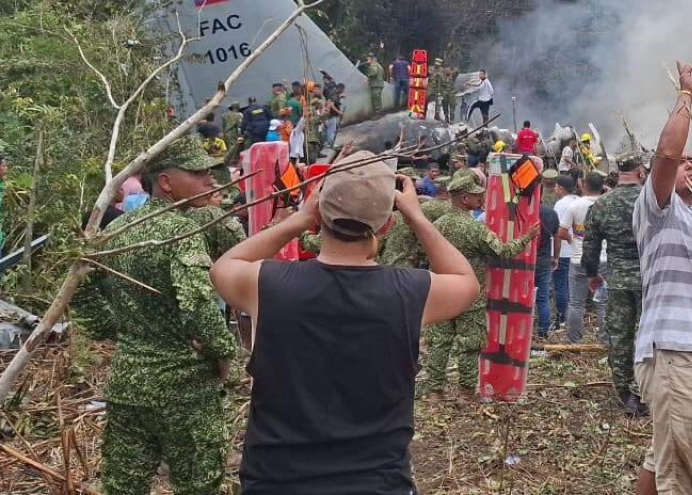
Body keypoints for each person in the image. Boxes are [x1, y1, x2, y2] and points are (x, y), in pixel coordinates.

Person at [210, 152, 480, 494]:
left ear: (319, 213)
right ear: (386, 225)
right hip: (377, 484)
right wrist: (416, 217)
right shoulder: (409, 292)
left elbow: (223, 267)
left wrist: (297, 220)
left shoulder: (268, 284)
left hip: (277, 481)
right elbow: (465, 281)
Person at [82, 137, 237, 495]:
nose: (209, 179)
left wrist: (118, 330)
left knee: (123, 486)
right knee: (198, 486)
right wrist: (224, 353)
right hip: (184, 389)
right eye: (197, 173)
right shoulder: (181, 232)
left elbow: (83, 291)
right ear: (166, 182)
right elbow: (199, 308)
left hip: (127, 383)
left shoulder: (116, 229)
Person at [633, 61, 692, 495]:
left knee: (665, 456)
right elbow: (667, 155)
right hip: (677, 349)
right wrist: (686, 97)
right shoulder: (658, 207)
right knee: (683, 470)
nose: (689, 164)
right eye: (683, 161)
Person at [422, 169, 537, 401]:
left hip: (440, 290)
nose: (480, 198)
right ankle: (466, 392)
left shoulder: (437, 225)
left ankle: (434, 391)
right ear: (465, 198)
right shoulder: (474, 228)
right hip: (469, 294)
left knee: (439, 343)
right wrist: (527, 237)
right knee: (470, 344)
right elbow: (502, 251)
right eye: (476, 195)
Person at [583, 150, 648, 415]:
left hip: (617, 279)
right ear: (640, 172)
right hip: (649, 280)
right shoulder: (650, 200)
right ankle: (642, 389)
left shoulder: (602, 204)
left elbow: (590, 247)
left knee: (620, 335)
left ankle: (624, 390)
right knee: (647, 335)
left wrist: (592, 275)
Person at [566, 171, 605, 343]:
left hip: (578, 259)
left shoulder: (575, 205)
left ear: (584, 185)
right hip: (603, 258)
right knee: (603, 303)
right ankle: (605, 340)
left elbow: (561, 231)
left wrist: (574, 241)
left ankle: (573, 341)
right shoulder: (607, 204)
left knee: (576, 303)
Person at [550, 174, 579, 329]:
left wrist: (555, 254)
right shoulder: (579, 201)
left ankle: (563, 316)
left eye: (556, 186)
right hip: (578, 250)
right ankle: (574, 315)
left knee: (560, 285)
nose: (554, 189)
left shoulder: (560, 205)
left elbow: (558, 231)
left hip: (564, 251)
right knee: (573, 284)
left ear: (561, 188)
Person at [534, 192, 562, 339]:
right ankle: (543, 331)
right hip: (544, 261)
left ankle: (522, 329)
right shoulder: (550, 213)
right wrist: (555, 257)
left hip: (522, 262)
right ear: (541, 195)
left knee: (521, 298)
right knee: (543, 298)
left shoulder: (520, 211)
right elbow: (557, 237)